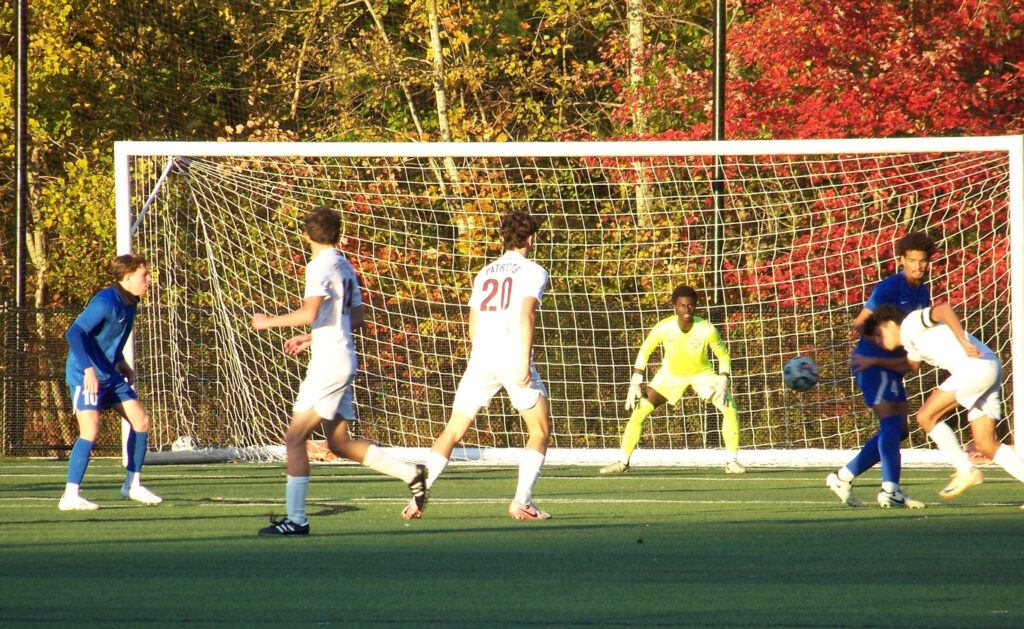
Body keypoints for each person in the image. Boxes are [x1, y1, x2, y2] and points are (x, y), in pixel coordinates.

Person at [252, 206, 427, 536]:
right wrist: (311, 335)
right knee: (338, 443)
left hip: (330, 363)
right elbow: (356, 318)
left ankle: (297, 520)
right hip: (340, 356)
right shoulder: (345, 265)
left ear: (306, 235)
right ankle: (412, 474)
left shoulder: (320, 265)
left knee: (294, 438)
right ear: (339, 233)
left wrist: (268, 322)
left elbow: (310, 310)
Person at [401, 210, 552, 521]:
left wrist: (482, 356)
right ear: (531, 238)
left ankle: (419, 496)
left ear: (503, 238)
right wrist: (523, 362)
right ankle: (521, 501)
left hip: (481, 355)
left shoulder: (485, 272)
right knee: (538, 429)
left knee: (453, 430)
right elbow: (526, 316)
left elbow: (472, 324)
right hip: (512, 355)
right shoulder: (534, 270)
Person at [863, 303, 1024, 501]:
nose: (879, 342)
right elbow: (911, 366)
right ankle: (968, 469)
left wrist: (964, 342)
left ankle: (965, 469)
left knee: (925, 417)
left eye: (879, 335)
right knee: (985, 444)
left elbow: (944, 310)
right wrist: (875, 364)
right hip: (990, 365)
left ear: (889, 325)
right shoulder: (910, 342)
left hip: (974, 367)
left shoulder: (911, 322)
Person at [827, 231, 934, 509]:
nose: (918, 266)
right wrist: (883, 344)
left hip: (892, 366)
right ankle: (890, 490)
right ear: (902, 260)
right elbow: (860, 323)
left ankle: (844, 476)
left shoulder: (923, 291)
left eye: (922, 261)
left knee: (899, 430)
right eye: (912, 260)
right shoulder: (889, 287)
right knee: (890, 422)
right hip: (870, 361)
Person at [600, 284, 743, 475]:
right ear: (675, 307)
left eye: (690, 305)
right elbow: (645, 349)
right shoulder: (664, 327)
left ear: (696, 306)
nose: (687, 309)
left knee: (730, 409)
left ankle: (732, 462)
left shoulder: (707, 329)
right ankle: (622, 462)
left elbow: (723, 356)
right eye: (682, 305)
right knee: (639, 412)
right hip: (670, 375)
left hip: (702, 374)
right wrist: (636, 379)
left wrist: (723, 378)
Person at [59, 253, 162, 510]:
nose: (149, 280)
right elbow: (74, 332)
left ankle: (132, 485)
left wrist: (120, 362)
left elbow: (107, 339)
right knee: (90, 431)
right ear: (127, 278)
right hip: (87, 375)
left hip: (108, 372)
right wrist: (88, 371)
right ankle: (70, 495)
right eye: (144, 275)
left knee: (141, 421)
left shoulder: (130, 302)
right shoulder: (106, 301)